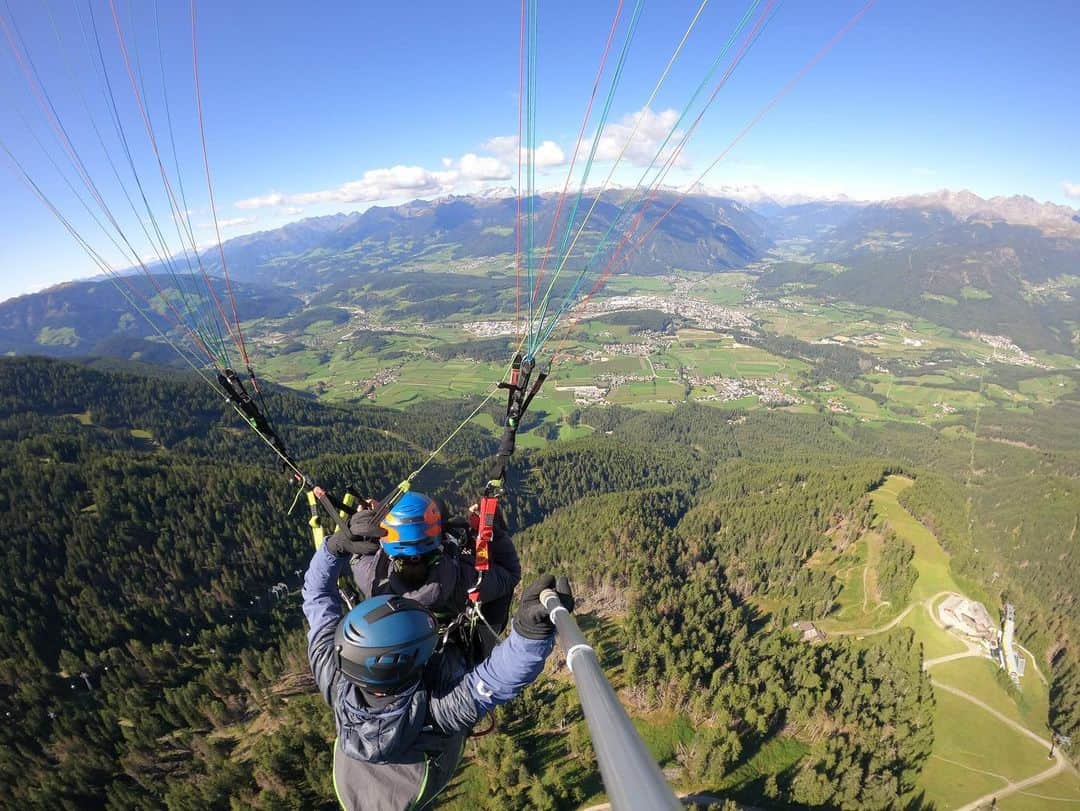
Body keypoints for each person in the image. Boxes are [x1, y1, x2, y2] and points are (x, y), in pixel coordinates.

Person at [303, 532, 573, 810]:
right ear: (415, 665)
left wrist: (334, 548)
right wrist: (531, 633)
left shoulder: (333, 666)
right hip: (408, 777)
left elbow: (317, 595)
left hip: (356, 779)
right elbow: (496, 679)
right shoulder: (433, 712)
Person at [328, 491, 521, 631]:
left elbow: (360, 553)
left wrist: (368, 519)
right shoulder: (465, 579)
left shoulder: (373, 579)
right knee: (439, 504)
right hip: (453, 617)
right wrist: (491, 530)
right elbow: (511, 574)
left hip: (410, 627)